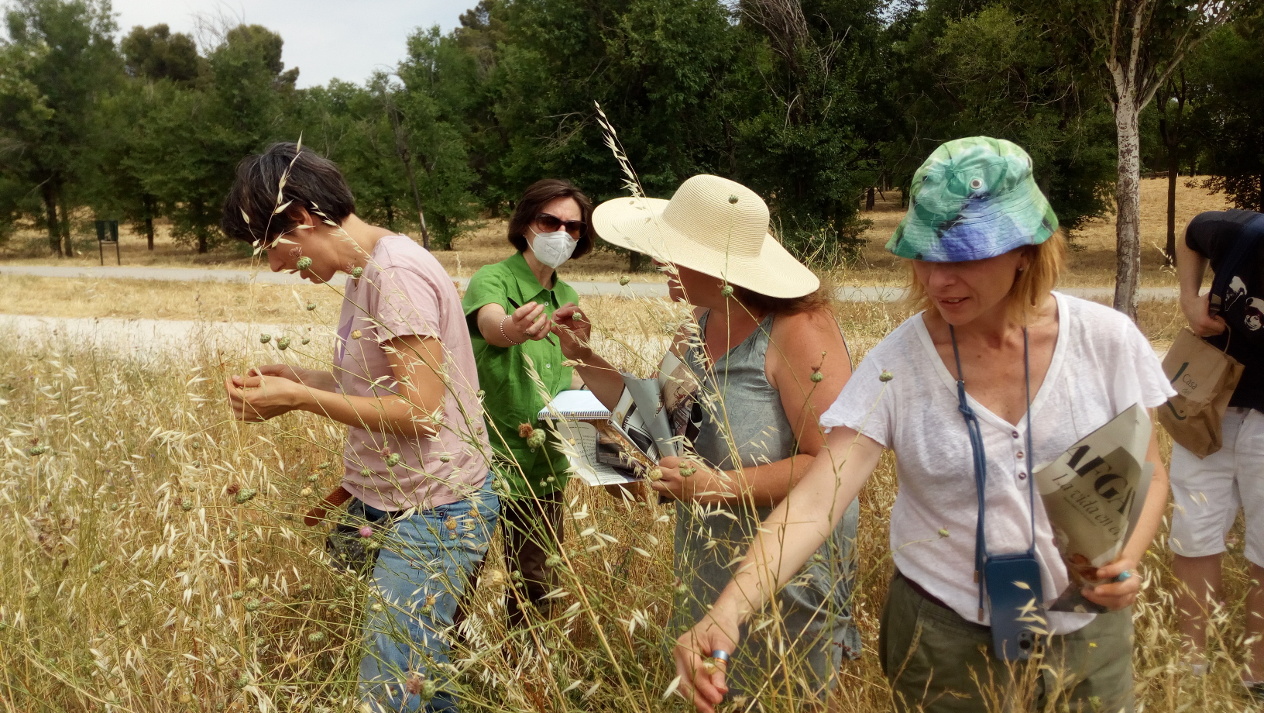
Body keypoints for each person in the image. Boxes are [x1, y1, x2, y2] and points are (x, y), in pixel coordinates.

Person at [672, 137, 1174, 713]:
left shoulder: (1106, 342)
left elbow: (1149, 473)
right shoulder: (899, 364)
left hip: (1087, 631)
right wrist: (729, 609)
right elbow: (819, 495)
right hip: (943, 639)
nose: (939, 281)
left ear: (1026, 251)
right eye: (925, 255)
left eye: (963, 258)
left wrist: (1124, 559)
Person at [552, 174, 862, 704]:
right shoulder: (698, 321)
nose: (658, 261)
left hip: (786, 568)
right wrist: (581, 354)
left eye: (670, 251)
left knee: (781, 697)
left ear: (718, 266)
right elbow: (657, 421)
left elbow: (834, 464)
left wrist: (719, 485)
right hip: (710, 554)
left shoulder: (800, 330)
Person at [219, 142, 497, 713]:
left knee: (389, 688)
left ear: (301, 217)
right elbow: (382, 383)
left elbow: (420, 412)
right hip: (396, 502)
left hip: (434, 510)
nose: (274, 266)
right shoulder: (367, 268)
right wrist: (301, 377)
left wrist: (302, 398)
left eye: (269, 248)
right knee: (419, 676)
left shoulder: (394, 274)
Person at [460, 178, 593, 627]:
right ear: (525, 224)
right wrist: (515, 329)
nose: (562, 233)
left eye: (573, 227)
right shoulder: (493, 278)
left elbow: (566, 374)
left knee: (537, 584)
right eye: (550, 221)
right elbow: (493, 326)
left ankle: (527, 662)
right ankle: (450, 663)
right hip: (487, 460)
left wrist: (581, 350)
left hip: (544, 463)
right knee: (460, 576)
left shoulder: (567, 296)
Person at [1170, 210, 1264, 692]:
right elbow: (1191, 235)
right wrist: (1189, 299)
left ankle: (1257, 673)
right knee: (1192, 530)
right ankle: (1191, 668)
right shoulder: (1245, 234)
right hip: (1211, 404)